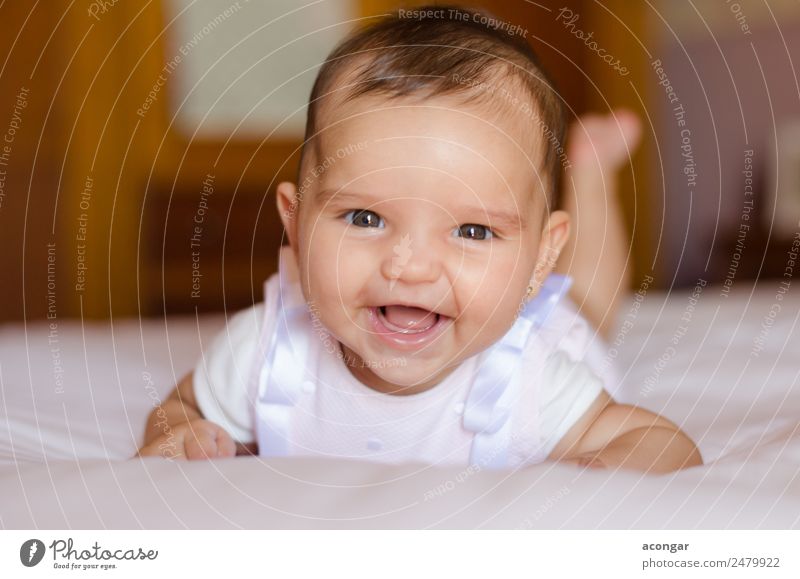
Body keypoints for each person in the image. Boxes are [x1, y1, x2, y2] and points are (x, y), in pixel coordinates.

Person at [137, 6, 701, 472]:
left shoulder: (536, 380)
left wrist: (593, 474)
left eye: (473, 230)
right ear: (297, 223)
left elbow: (662, 442)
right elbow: (180, 407)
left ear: (537, 257)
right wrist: (183, 430)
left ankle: (590, 170)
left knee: (590, 307)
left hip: (549, 322)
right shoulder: (266, 350)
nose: (410, 268)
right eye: (364, 218)